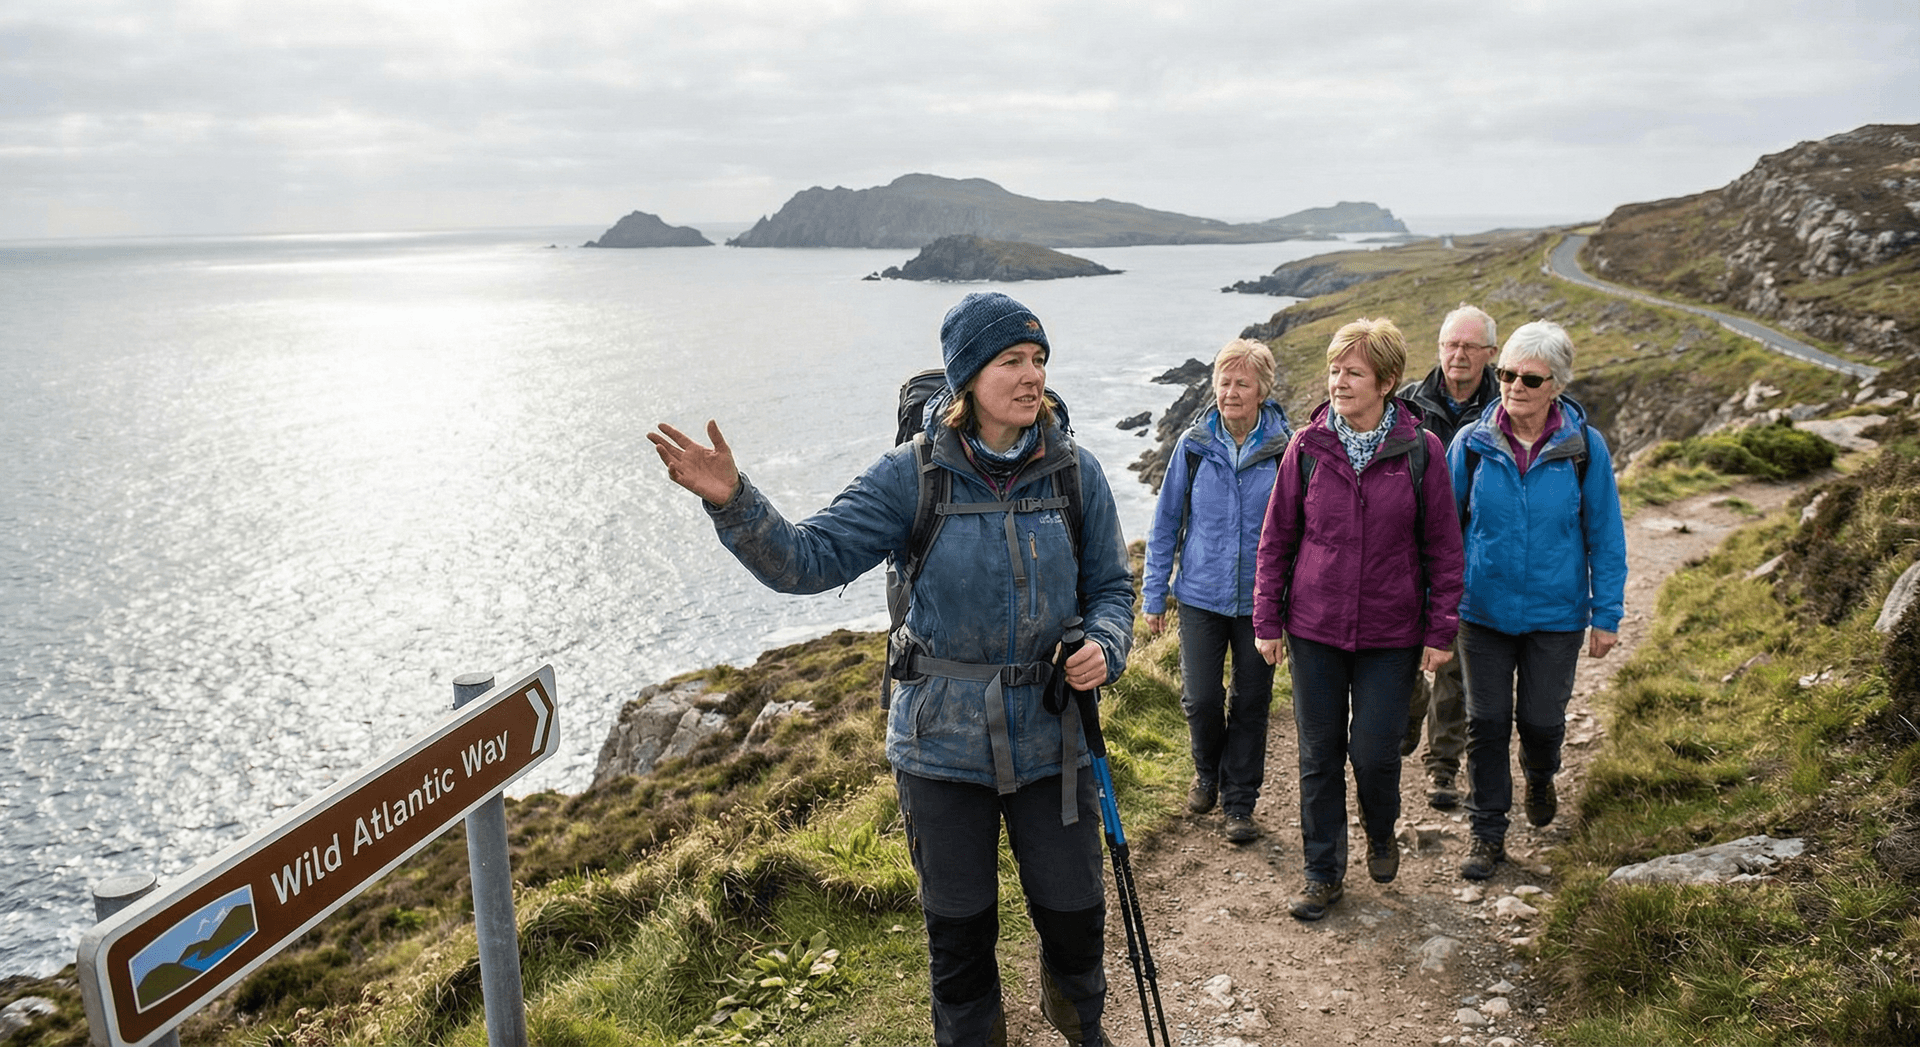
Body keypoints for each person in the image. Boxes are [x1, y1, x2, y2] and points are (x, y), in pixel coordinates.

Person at [649, 291, 1134, 1047]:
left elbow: (1112, 587)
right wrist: (735, 503)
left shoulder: (1077, 474)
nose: (1032, 374)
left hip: (1053, 742)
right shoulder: (911, 477)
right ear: (969, 375)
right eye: (1012, 360)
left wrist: (1107, 642)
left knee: (1075, 919)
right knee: (961, 940)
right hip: (941, 748)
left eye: (1039, 359)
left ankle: (1081, 1022)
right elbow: (807, 559)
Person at [1251, 318, 1464, 921]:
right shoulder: (1307, 447)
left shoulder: (1422, 452)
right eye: (1334, 370)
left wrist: (1440, 629)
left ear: (1388, 381)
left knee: (1373, 756)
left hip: (1391, 634)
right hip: (1314, 628)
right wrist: (1268, 619)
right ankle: (1322, 872)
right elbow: (1277, 540)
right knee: (1319, 756)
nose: (1339, 382)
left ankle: (1380, 829)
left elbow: (1444, 549)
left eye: (1354, 373)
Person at [1447, 319, 1627, 881]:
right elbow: (1444, 531)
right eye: (1506, 375)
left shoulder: (1584, 450)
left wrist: (1607, 613)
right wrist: (1437, 604)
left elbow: (1605, 533)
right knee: (1485, 721)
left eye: (1530, 378)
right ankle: (1487, 834)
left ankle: (1541, 773)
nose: (1514, 387)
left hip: (1556, 615)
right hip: (1483, 611)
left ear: (1556, 386)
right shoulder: (1471, 445)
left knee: (1542, 722)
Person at [1141, 338, 1293, 844]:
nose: (1230, 392)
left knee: (1251, 702)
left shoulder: (1285, 449)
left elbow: (1299, 529)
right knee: (1201, 699)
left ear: (1262, 391)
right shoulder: (1193, 446)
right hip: (1200, 596)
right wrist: (1153, 592)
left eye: (1241, 383)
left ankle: (1240, 803)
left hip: (1261, 602)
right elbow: (1166, 524)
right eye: (1224, 382)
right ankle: (1207, 771)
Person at [1396, 304, 1501, 810]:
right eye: (1449, 345)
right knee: (1405, 660)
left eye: (1468, 346)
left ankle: (1442, 766)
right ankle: (1410, 711)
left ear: (1490, 355)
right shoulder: (1409, 406)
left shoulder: (1506, 407)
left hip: (1474, 561)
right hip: (1407, 558)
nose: (1457, 355)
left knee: (1457, 667)